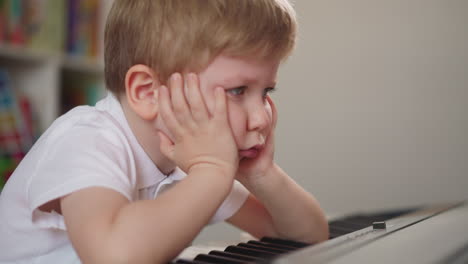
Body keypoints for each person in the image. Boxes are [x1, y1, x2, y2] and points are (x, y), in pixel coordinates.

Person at [0, 0, 329, 263]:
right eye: (238, 90)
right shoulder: (87, 139)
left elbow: (305, 236)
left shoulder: (192, 160)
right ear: (147, 93)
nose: (260, 118)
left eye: (266, 92)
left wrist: (263, 173)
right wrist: (211, 174)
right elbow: (114, 256)